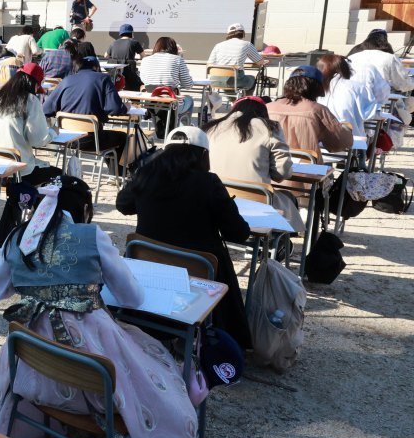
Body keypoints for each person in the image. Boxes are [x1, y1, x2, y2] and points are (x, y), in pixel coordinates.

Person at [0, 182, 198, 438]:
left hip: (36, 366)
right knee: (155, 367)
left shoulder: (18, 239)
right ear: (83, 211)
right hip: (92, 370)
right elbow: (133, 297)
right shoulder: (91, 236)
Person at [116, 126, 253, 348]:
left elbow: (123, 204)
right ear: (202, 155)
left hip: (150, 270)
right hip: (196, 276)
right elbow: (238, 233)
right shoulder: (208, 183)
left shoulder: (146, 175)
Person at [203, 96, 300, 229]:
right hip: (255, 203)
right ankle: (279, 244)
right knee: (289, 199)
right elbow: (282, 173)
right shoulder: (270, 128)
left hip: (214, 198)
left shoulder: (212, 127)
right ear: (262, 112)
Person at [0, 63, 60, 185]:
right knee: (60, 177)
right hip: (15, 172)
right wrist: (53, 132)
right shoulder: (30, 100)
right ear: (34, 84)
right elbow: (38, 141)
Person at [42, 54, 128, 159]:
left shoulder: (66, 80)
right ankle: (118, 173)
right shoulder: (103, 78)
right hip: (92, 140)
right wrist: (126, 107)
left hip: (67, 139)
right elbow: (115, 109)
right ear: (96, 68)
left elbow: (45, 109)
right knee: (123, 137)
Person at [266, 65, 353, 161]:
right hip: (307, 170)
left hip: (271, 167)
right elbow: (339, 143)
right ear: (317, 88)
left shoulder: (267, 108)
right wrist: (345, 129)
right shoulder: (318, 110)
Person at [316, 53, 382, 137]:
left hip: (317, 140)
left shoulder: (315, 87)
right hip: (349, 140)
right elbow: (370, 114)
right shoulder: (357, 87)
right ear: (345, 69)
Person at [206, 22, 267, 91]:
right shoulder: (246, 44)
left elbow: (209, 64)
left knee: (229, 80)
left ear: (228, 34)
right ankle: (244, 101)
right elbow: (260, 62)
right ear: (243, 33)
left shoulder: (218, 45)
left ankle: (234, 100)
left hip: (215, 80)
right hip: (234, 80)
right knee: (251, 79)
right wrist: (264, 61)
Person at [104, 23, 143, 90]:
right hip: (129, 77)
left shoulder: (114, 43)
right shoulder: (134, 42)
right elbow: (144, 56)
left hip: (115, 79)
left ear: (121, 33)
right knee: (141, 85)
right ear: (131, 33)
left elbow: (106, 56)